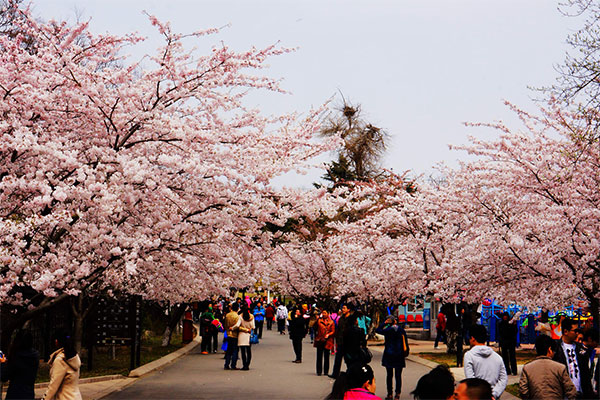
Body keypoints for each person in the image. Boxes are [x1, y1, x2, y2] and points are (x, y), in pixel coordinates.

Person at [518, 334, 576, 400]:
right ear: (550, 349)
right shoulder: (560, 368)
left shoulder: (527, 368)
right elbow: (571, 391)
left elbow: (523, 391)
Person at [552, 318, 594, 398]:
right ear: (565, 332)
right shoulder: (556, 349)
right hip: (563, 394)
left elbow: (586, 373)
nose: (577, 333)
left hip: (580, 393)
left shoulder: (581, 349)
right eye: (575, 331)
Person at [463, 324, 507, 399]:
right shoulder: (497, 357)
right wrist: (494, 394)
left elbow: (470, 379)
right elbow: (503, 378)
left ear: (473, 338)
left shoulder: (469, 356)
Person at [376, 315, 409, 400]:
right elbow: (405, 341)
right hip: (399, 354)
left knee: (389, 375)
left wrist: (384, 323)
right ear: (395, 321)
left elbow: (378, 330)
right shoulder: (401, 330)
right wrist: (406, 352)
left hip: (389, 354)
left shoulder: (387, 330)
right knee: (398, 375)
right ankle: (397, 393)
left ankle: (389, 394)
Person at [1, 329, 39, 400]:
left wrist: (3, 363)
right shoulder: (34, 356)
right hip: (29, 394)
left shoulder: (16, 357)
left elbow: (4, 377)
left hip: (15, 394)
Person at [43, 331, 82, 400]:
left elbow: (53, 385)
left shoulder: (60, 360)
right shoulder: (73, 357)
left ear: (56, 341)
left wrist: (45, 398)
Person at [330, 304, 352, 378]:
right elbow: (338, 329)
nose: (343, 309)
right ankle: (335, 374)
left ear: (348, 309)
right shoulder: (341, 318)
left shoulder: (351, 319)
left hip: (348, 342)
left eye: (344, 308)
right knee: (338, 359)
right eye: (342, 308)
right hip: (340, 341)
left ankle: (350, 374)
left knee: (348, 360)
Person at [315, 309, 336, 376]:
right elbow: (314, 327)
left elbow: (333, 331)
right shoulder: (319, 321)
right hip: (320, 339)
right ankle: (319, 371)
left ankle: (326, 371)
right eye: (322, 313)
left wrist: (329, 334)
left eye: (325, 313)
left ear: (328, 314)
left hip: (328, 340)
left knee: (326, 356)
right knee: (319, 356)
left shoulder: (331, 322)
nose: (323, 314)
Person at [236, 305, 255, 370]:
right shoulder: (251, 317)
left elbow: (237, 325)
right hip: (249, 334)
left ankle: (244, 365)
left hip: (241, 334)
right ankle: (247, 364)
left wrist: (232, 328)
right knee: (248, 351)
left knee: (243, 351)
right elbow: (253, 326)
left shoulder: (240, 316)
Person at [581, 328, 598, 398]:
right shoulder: (580, 351)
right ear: (590, 339)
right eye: (596, 341)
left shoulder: (591, 351)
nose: (597, 344)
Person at [223, 302, 240, 370]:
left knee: (229, 350)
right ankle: (233, 364)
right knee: (235, 350)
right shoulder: (237, 316)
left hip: (228, 333)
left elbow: (225, 324)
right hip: (235, 334)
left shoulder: (227, 315)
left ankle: (226, 364)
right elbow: (238, 326)